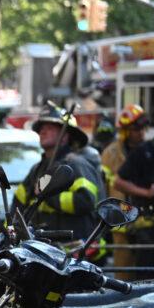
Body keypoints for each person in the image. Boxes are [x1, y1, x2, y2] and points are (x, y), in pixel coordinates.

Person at [14, 103, 101, 243]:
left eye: (49, 128)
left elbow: (85, 201)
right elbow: (18, 204)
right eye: (41, 129)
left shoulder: (76, 165)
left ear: (65, 136)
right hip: (43, 248)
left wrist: (48, 196)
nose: (42, 132)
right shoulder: (38, 169)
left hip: (72, 249)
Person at [112, 103, 154, 278]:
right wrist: (146, 193)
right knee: (148, 285)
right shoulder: (143, 152)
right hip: (149, 234)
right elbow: (118, 182)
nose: (140, 132)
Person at [101, 104, 148, 278]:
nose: (141, 133)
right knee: (123, 271)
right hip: (121, 220)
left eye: (143, 128)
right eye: (136, 129)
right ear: (126, 131)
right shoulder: (111, 153)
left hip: (145, 218)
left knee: (147, 269)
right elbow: (103, 185)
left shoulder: (150, 150)